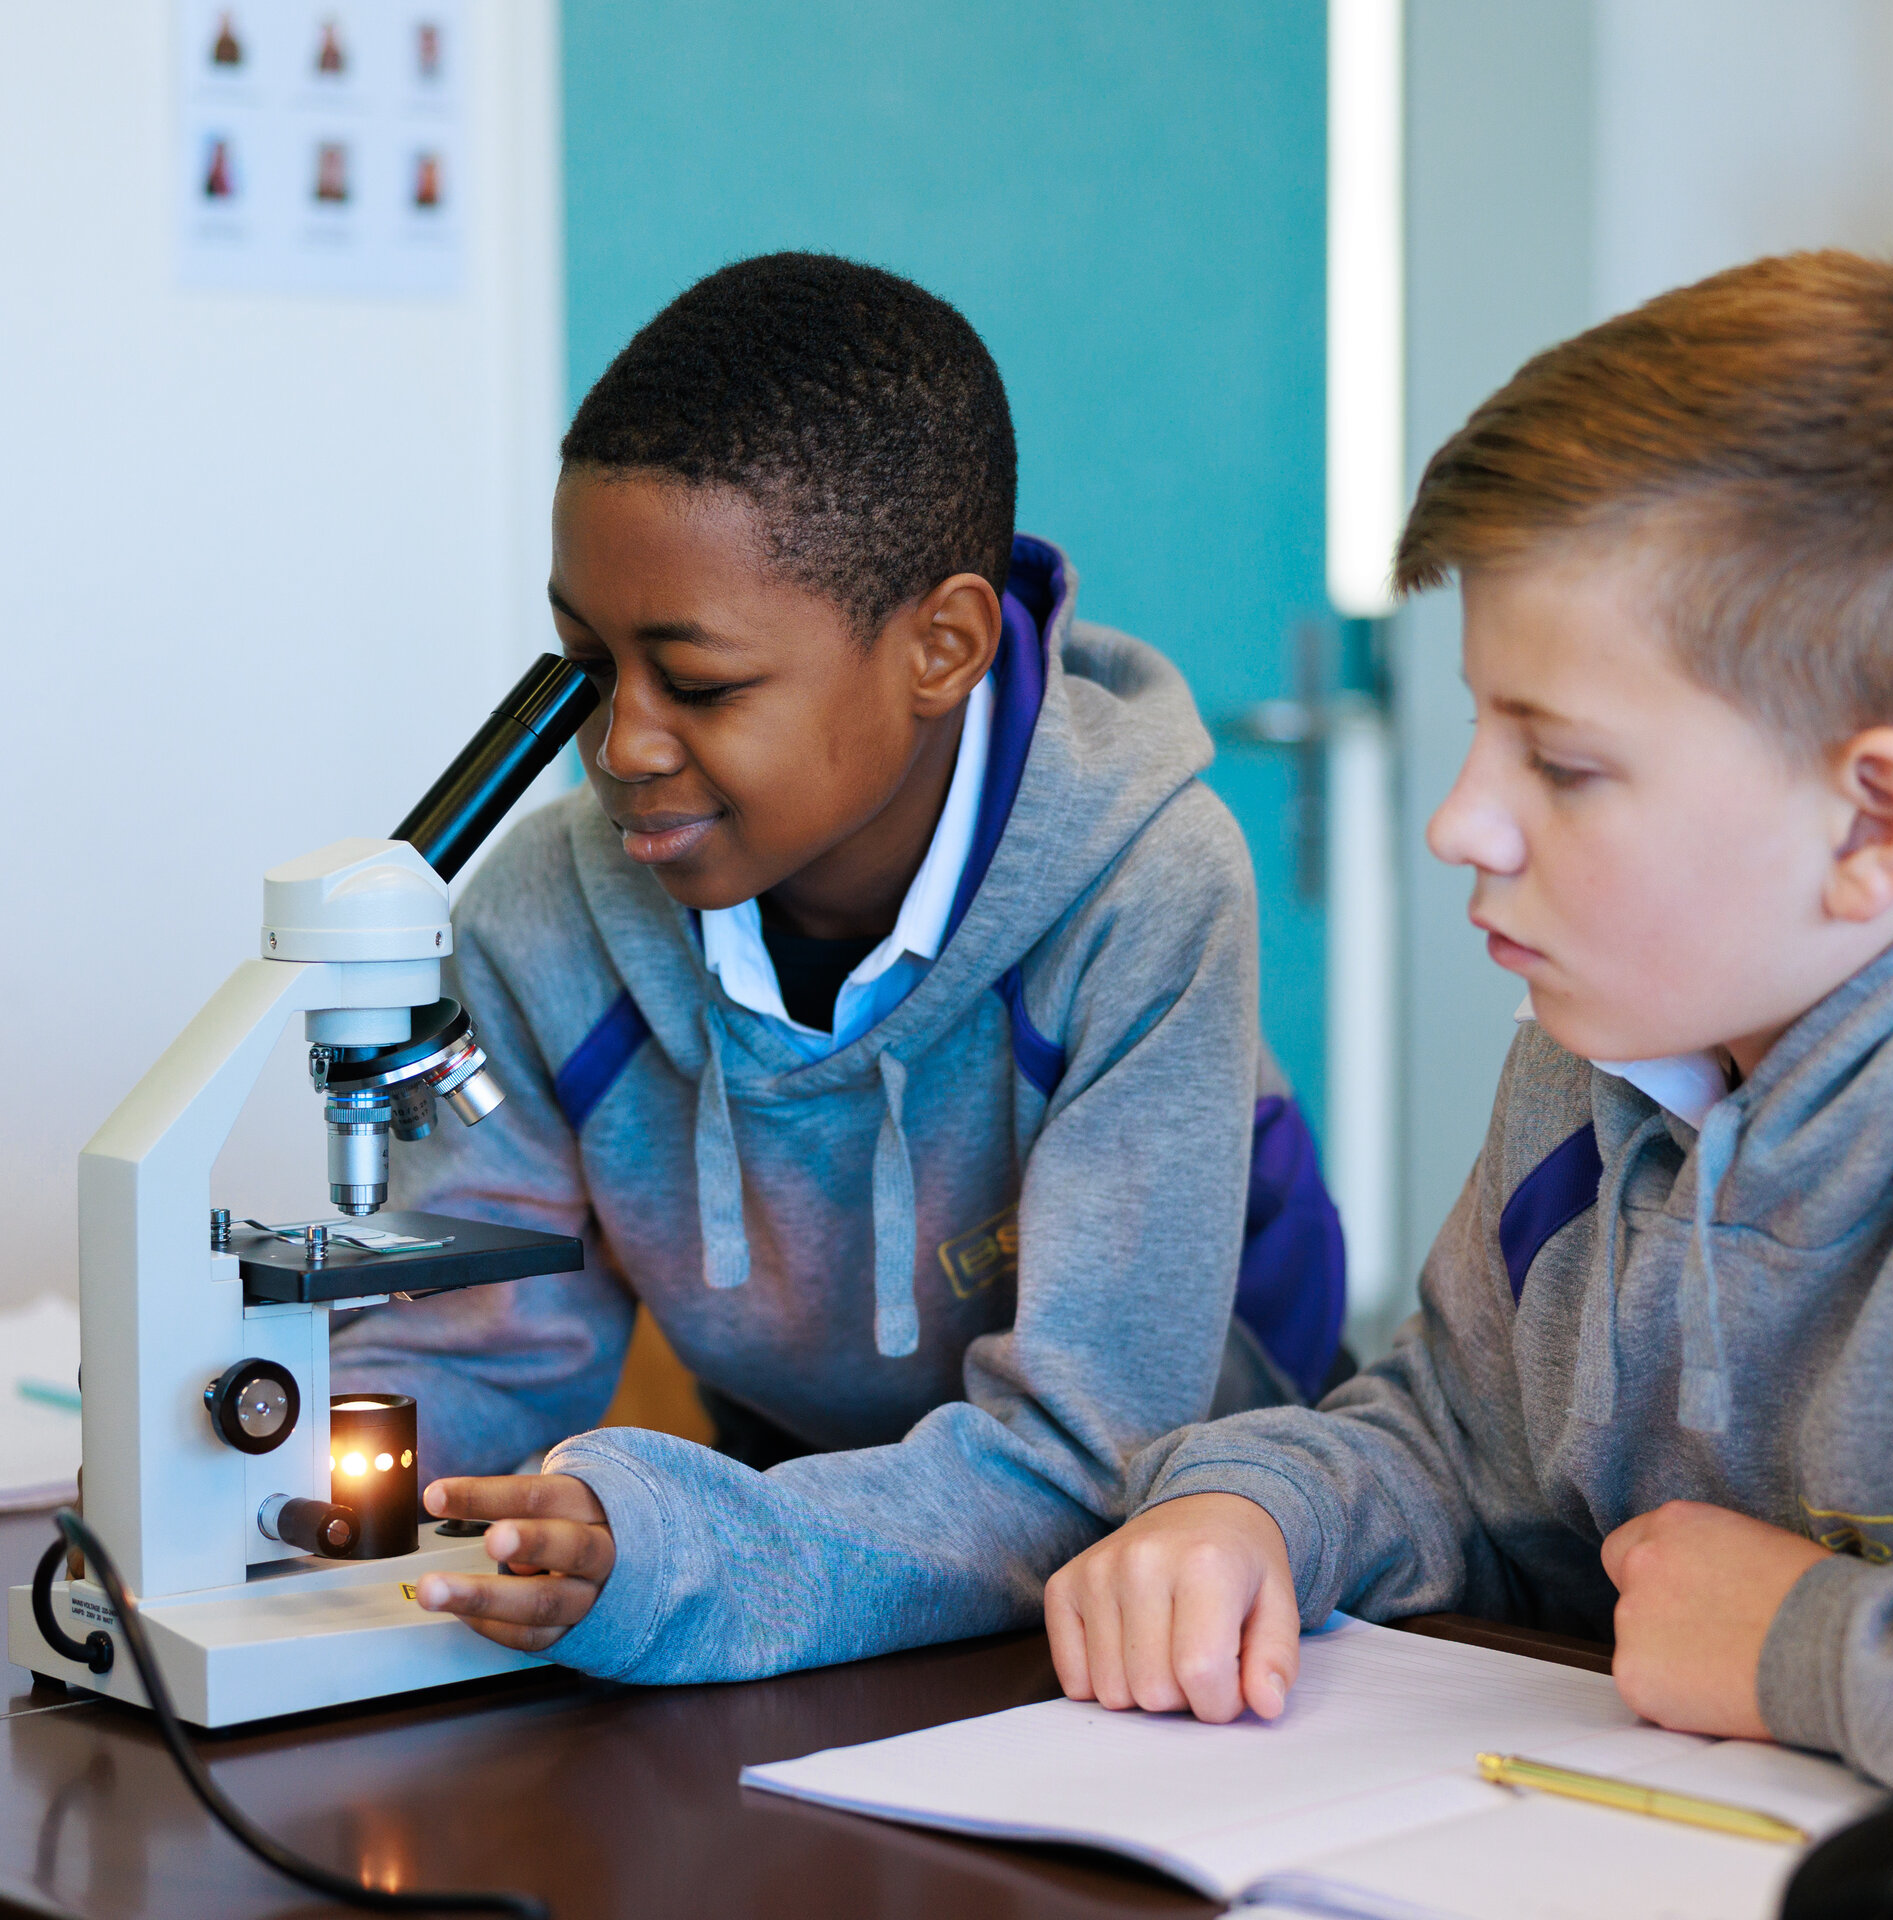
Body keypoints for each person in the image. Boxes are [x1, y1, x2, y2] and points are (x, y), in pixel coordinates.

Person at [332, 252, 1343, 1682]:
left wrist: (695, 1547)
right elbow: (481, 1358)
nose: (622, 745)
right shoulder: (544, 916)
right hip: (808, 1550)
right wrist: (296, 1465)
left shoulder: (1148, 895)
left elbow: (1090, 1457)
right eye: (582, 664)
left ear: (940, 645)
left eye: (700, 683)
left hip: (1163, 1589)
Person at [1044, 250, 1893, 1792]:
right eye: (1475, 726)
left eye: (1563, 766)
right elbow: (1454, 1444)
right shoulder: (1589, 1073)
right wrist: (1252, 1508)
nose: (1462, 823)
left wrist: (1804, 1645)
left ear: (1872, 826)